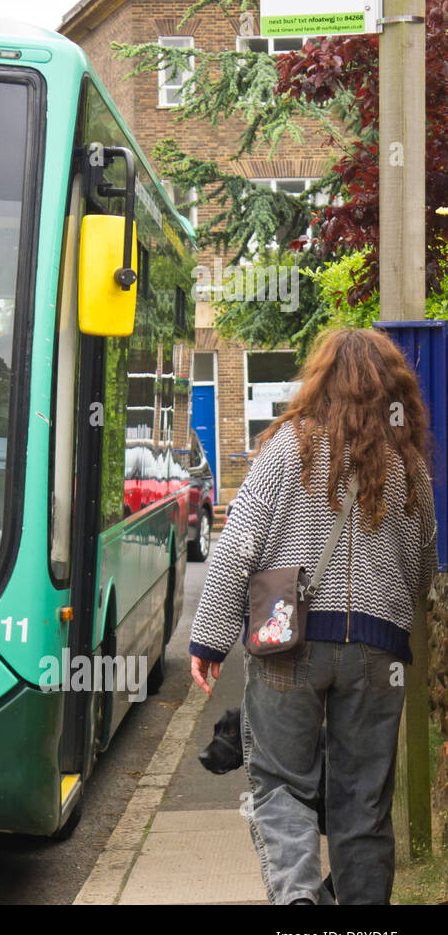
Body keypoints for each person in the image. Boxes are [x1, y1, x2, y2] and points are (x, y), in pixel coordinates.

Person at [189, 328, 438, 905]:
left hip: (288, 643)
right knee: (364, 802)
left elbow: (237, 547)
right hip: (379, 652)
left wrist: (209, 640)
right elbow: (421, 568)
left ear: (321, 379)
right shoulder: (409, 468)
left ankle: (299, 901)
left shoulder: (288, 447)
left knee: (279, 784)